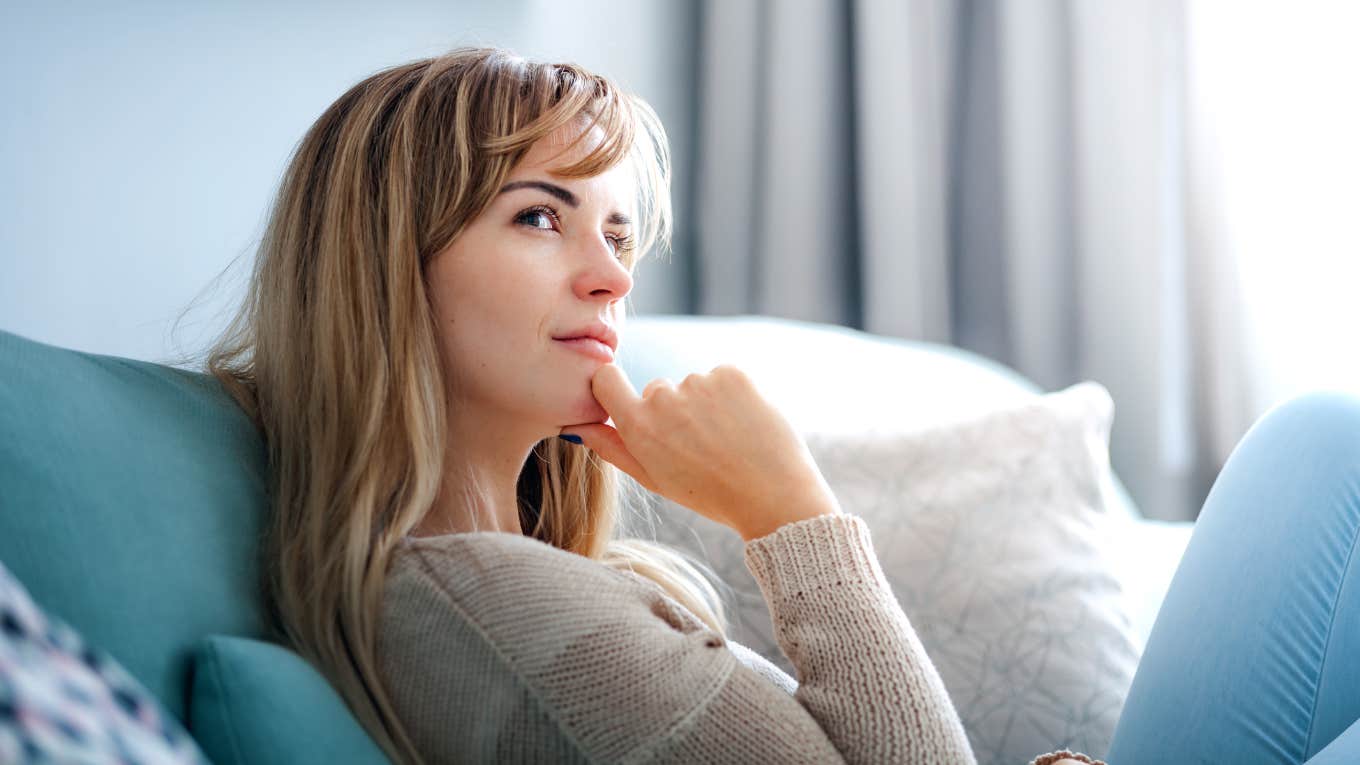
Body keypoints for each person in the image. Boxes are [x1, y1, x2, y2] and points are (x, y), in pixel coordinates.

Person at [197, 47, 1360, 765]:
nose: (610, 274)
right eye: (540, 217)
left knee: (1324, 448)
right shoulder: (490, 608)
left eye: (616, 229)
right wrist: (788, 510)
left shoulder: (531, 575)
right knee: (1326, 448)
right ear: (386, 266)